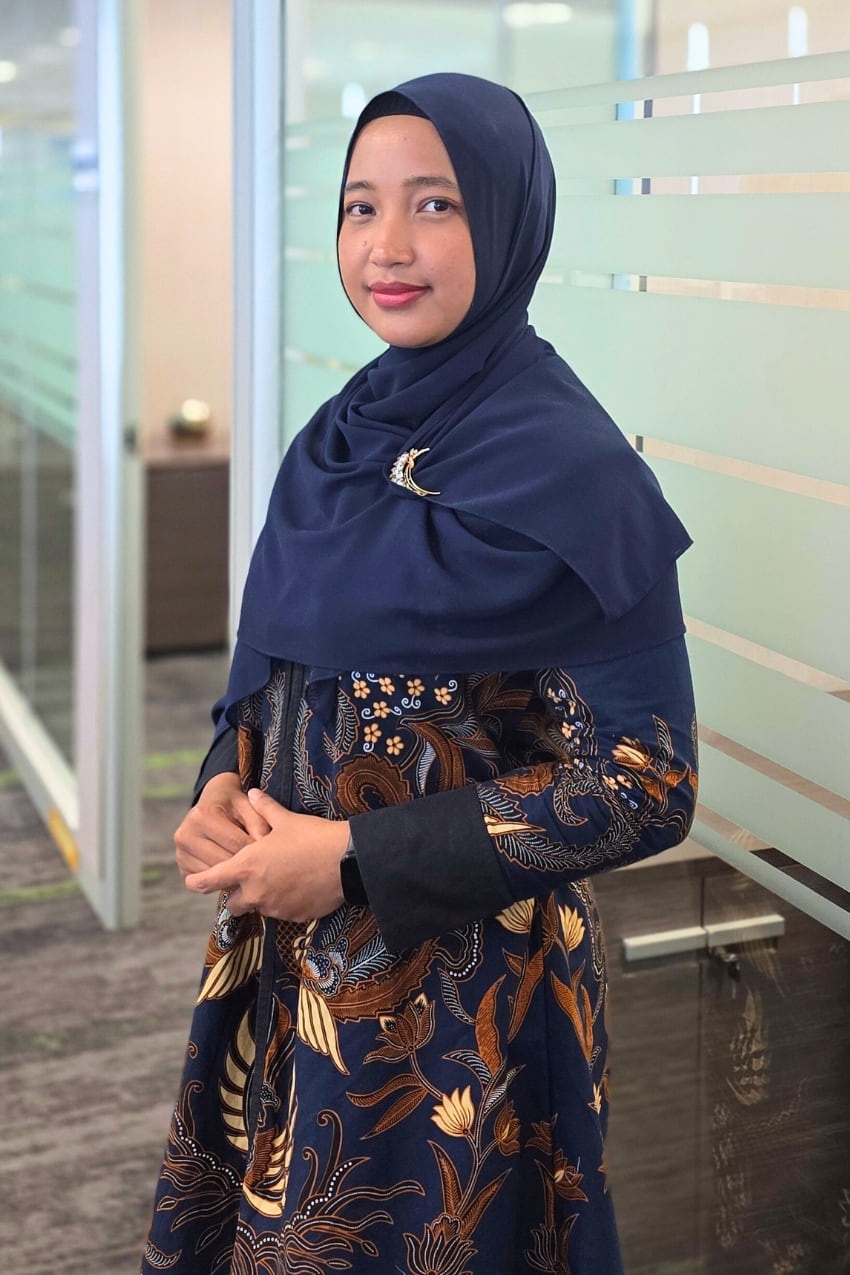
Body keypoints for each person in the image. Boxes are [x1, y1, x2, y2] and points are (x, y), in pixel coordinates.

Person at [141, 72, 697, 1275]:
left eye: (436, 205)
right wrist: (218, 787)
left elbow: (649, 782)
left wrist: (345, 858)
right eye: (359, 207)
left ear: (506, 224)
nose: (387, 246)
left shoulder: (577, 471)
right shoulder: (340, 440)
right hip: (289, 953)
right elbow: (278, 673)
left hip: (466, 1013)